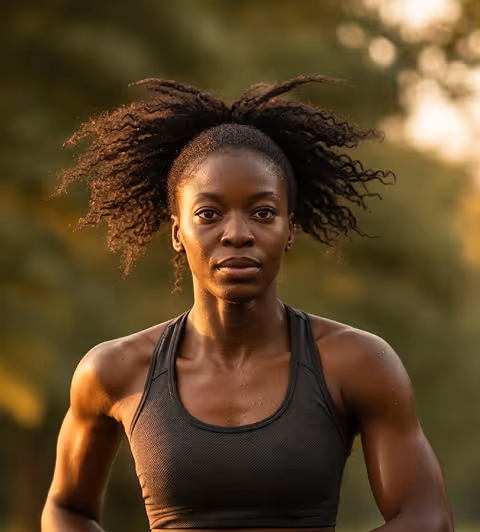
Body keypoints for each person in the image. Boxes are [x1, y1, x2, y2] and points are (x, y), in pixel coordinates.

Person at [41, 75, 453, 532]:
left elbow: (427, 517)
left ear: (289, 230)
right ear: (178, 232)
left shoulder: (358, 362)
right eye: (208, 214)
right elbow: (66, 510)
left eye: (262, 212)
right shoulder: (113, 370)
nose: (237, 233)